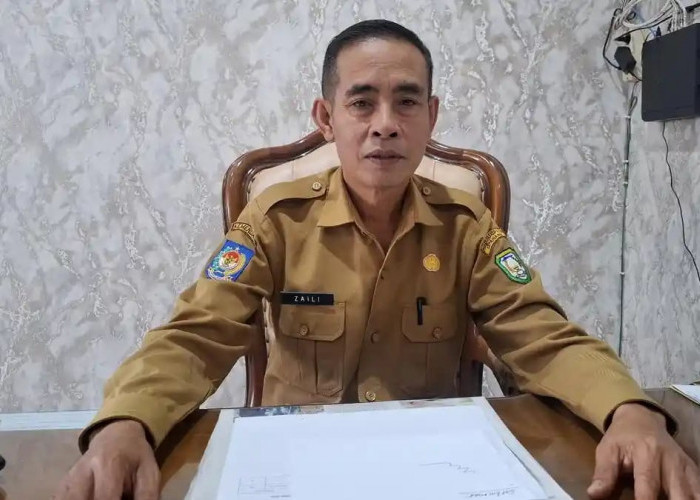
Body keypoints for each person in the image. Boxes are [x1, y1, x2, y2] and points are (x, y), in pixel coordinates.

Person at [53, 19, 699, 500]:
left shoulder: (466, 226)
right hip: (294, 467)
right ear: (327, 117)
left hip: (434, 472)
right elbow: (195, 334)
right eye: (361, 101)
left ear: (431, 116)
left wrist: (630, 410)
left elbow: (543, 336)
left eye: (407, 101)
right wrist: (126, 423)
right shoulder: (276, 220)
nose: (385, 123)